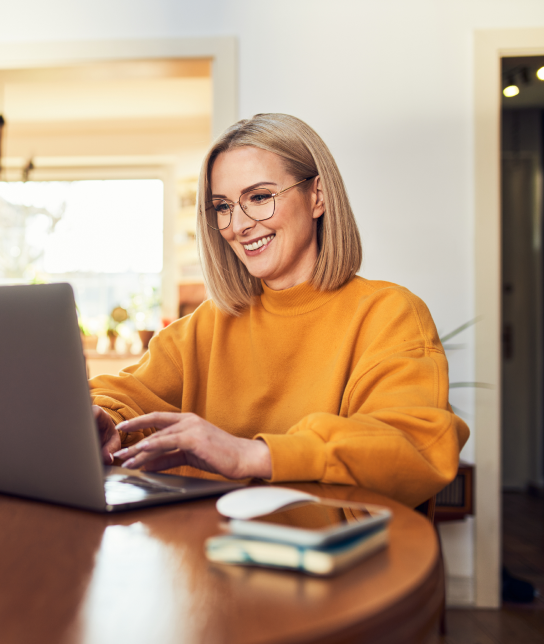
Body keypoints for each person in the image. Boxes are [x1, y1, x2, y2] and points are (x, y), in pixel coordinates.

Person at [90, 113, 469, 508]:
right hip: (213, 554)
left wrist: (253, 455)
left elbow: (415, 446)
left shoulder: (389, 315)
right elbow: (123, 393)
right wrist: (103, 418)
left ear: (317, 196)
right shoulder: (207, 325)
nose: (237, 225)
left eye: (259, 197)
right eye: (223, 206)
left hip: (333, 562)